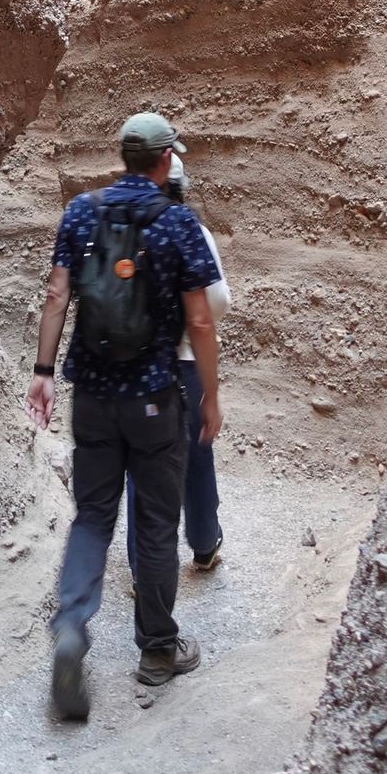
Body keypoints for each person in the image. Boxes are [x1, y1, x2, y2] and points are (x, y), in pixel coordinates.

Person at [24, 112, 223, 720]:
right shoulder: (180, 222)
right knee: (157, 522)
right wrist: (211, 397)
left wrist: (42, 371)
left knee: (92, 518)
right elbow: (201, 321)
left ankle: (71, 633)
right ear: (165, 161)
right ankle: (159, 648)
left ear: (124, 156)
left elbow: (58, 293)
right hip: (156, 400)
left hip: (93, 399)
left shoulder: (82, 212)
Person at [127, 149, 231, 578]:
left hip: (135, 370)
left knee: (142, 468)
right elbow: (217, 303)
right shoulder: (192, 232)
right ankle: (204, 546)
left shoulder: (121, 230)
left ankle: (143, 567)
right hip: (184, 367)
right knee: (196, 458)